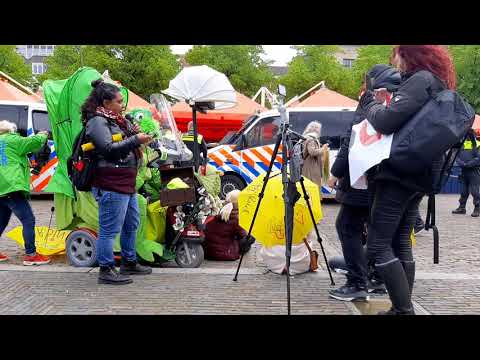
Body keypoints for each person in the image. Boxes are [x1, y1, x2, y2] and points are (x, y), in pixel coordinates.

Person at [359, 45, 457, 315]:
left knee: (379, 244)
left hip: (401, 173)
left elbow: (387, 121)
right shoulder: (437, 83)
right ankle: (400, 308)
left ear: (409, 55)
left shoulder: (420, 81)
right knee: (402, 237)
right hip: (421, 172)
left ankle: (403, 310)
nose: (394, 61)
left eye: (397, 55)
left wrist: (370, 103)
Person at [327, 65, 400, 302]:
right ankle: (378, 278)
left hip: (362, 181)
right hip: (384, 181)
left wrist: (336, 172)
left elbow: (351, 142)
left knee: (347, 226)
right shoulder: (398, 105)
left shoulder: (370, 105)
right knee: (377, 231)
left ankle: (357, 281)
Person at [82, 79, 153, 285]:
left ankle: (129, 261)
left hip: (126, 182)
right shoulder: (97, 121)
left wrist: (141, 135)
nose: (123, 105)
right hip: (110, 182)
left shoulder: (118, 120)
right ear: (106, 103)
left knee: (131, 224)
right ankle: (105, 268)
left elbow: (127, 141)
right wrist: (135, 140)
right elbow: (106, 149)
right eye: (119, 101)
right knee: (109, 229)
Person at [0, 120, 51, 265]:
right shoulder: (12, 139)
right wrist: (43, 134)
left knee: (1, 221)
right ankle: (31, 255)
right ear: (10, 130)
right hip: (12, 187)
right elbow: (33, 142)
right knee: (28, 219)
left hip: (1, 188)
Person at [204, 190, 253, 260]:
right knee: (250, 238)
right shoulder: (235, 218)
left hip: (209, 252)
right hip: (225, 253)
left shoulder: (219, 209)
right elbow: (242, 235)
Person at [452, 129, 480, 217]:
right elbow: (457, 156)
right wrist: (462, 163)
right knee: (463, 191)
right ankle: (461, 208)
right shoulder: (462, 145)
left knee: (474, 191)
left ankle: (477, 208)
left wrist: (468, 164)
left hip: (474, 171)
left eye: (467, 135)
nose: (466, 137)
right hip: (464, 171)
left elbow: (478, 158)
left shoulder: (478, 145)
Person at [302, 121, 329, 195]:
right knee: (313, 187)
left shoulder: (308, 137)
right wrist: (323, 149)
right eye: (319, 129)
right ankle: (313, 204)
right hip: (311, 167)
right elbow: (312, 152)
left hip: (309, 166)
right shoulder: (311, 139)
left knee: (310, 188)